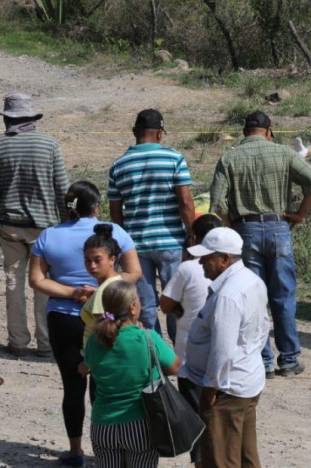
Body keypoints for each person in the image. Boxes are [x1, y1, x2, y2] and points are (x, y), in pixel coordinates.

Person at [28, 181, 140, 467]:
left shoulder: (48, 235)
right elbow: (133, 272)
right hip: (108, 316)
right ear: (96, 206)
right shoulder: (114, 232)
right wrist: (103, 290)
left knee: (72, 386)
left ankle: (75, 451)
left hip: (64, 317)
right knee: (103, 387)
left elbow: (36, 280)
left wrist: (72, 292)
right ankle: (104, 449)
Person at [210, 110, 311, 377]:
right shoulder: (284, 154)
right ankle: (289, 359)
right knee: (283, 296)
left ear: (244, 132)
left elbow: (217, 202)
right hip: (278, 227)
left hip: (244, 230)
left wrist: (231, 228)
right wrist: (299, 215)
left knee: (252, 298)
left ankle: (262, 361)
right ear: (269, 131)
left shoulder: (229, 157)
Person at [184, 227, 269, 468]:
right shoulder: (252, 281)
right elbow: (263, 329)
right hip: (246, 381)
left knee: (220, 459)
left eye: (206, 258)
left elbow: (222, 348)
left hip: (227, 389)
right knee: (245, 457)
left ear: (224, 259)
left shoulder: (228, 295)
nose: (200, 263)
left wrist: (211, 388)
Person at [108, 108, 195, 339]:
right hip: (171, 241)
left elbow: (115, 213)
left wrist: (123, 244)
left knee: (145, 306)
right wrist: (192, 234)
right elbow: (185, 202)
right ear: (159, 134)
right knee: (177, 300)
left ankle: (153, 352)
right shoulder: (174, 158)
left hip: (136, 246)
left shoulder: (119, 165)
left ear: (134, 132)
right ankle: (180, 354)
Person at [0, 92, 69, 356]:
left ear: (8, 119)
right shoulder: (49, 145)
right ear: (32, 118)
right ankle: (46, 343)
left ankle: (17, 342)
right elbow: (62, 188)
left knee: (13, 283)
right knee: (42, 284)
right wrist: (66, 222)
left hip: (8, 226)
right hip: (44, 228)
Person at [84, 280, 180, 468]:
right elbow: (175, 367)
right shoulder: (147, 338)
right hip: (140, 425)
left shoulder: (95, 340)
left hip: (103, 426)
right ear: (134, 307)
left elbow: (88, 365)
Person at [159, 213, 221, 468]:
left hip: (189, 354)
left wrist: (177, 309)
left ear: (194, 238)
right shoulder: (234, 269)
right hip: (220, 354)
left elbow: (165, 303)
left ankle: (200, 460)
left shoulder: (188, 268)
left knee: (196, 414)